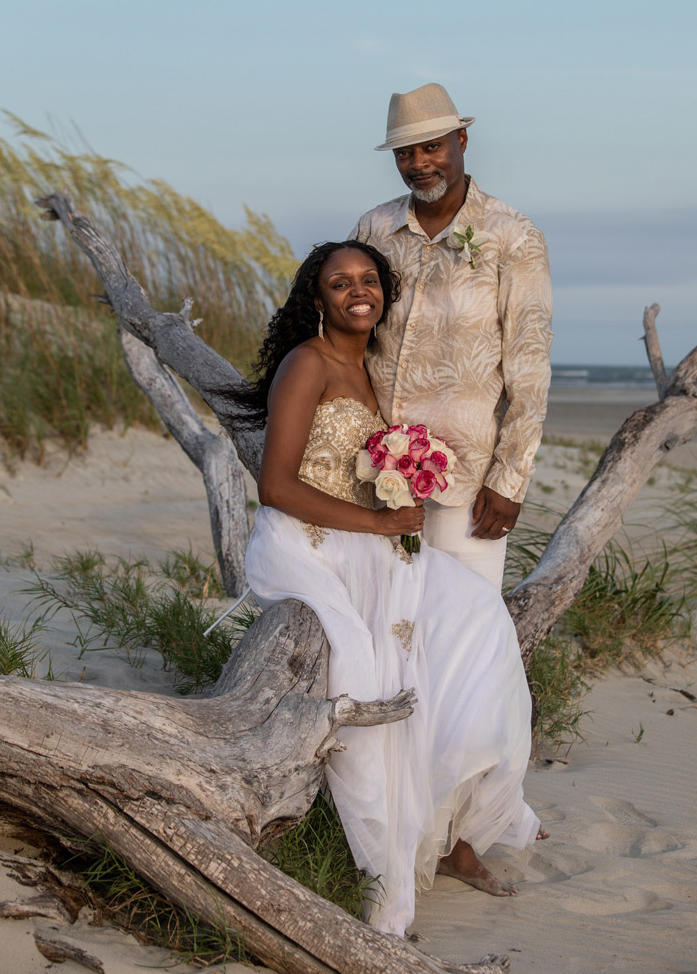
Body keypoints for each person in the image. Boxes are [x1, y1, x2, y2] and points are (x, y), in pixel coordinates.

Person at [240, 239, 540, 937]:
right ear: (317, 298)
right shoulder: (306, 364)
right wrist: (377, 519)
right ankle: (382, 874)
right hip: (306, 547)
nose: (357, 290)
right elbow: (276, 485)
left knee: (476, 621)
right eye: (339, 282)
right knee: (370, 674)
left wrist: (399, 498)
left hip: (370, 544)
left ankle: (451, 821)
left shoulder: (374, 372)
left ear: (383, 293)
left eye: (368, 279)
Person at [351, 83, 553, 591]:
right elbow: (343, 333)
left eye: (432, 147)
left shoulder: (514, 234)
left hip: (466, 481)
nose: (419, 163)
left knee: (466, 628)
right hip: (371, 473)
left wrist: (509, 482)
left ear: (462, 141)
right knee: (383, 624)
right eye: (404, 153)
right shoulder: (374, 229)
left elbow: (529, 368)